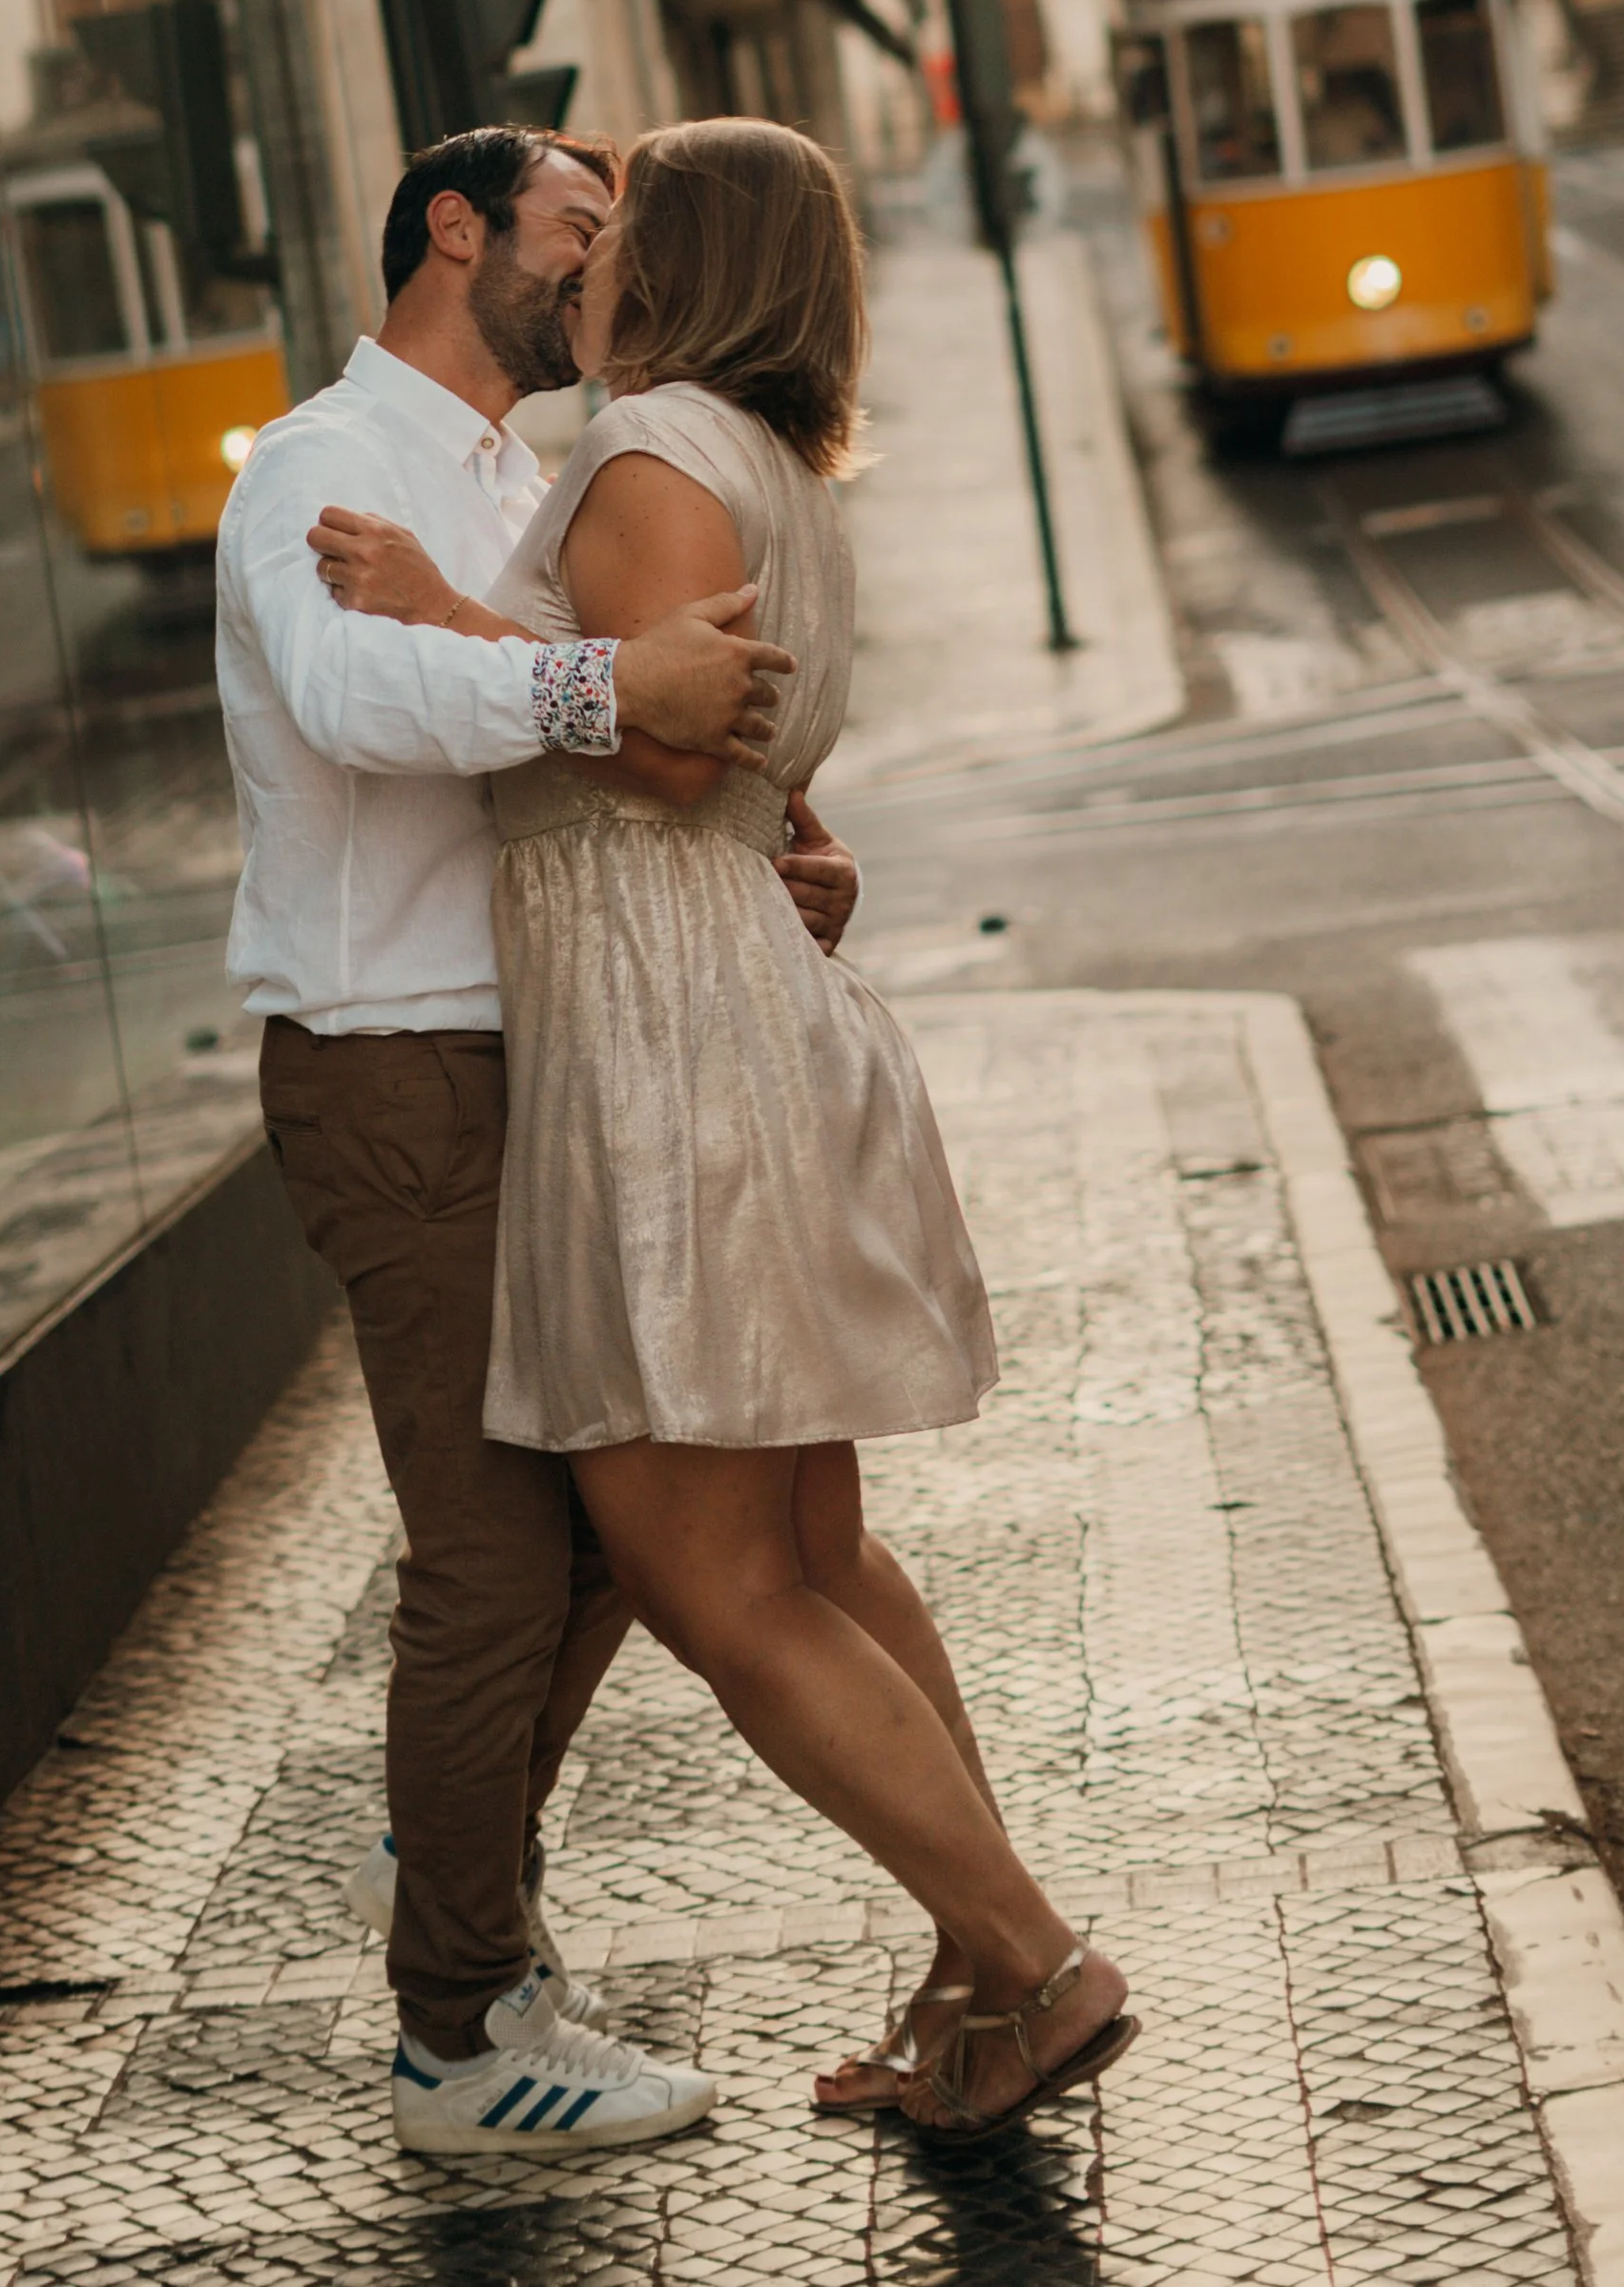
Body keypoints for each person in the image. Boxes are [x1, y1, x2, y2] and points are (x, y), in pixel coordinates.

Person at [308, 118, 1138, 2149]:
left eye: (617, 230)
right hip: (723, 1021)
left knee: (713, 1581)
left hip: (671, 1053)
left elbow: (669, 748)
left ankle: (1030, 1959)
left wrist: (430, 601)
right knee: (815, 1554)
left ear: (680, 267)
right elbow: (737, 761)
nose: (580, 259)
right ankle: (974, 1980)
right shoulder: (761, 460)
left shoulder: (655, 447)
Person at [216, 124, 860, 2163]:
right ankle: (457, 2032)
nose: (598, 272)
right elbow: (354, 694)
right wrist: (608, 680)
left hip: (541, 1063)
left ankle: (463, 1879)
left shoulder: (523, 472)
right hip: (398, 1067)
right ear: (455, 231)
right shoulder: (325, 459)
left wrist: (772, 833)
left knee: (611, 1535)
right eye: (575, 233)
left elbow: (648, 750)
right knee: (499, 1550)